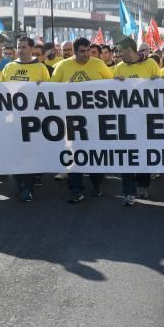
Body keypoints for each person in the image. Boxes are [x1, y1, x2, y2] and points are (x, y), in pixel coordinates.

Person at [52, 37, 114, 203]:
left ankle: (96, 184)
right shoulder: (62, 66)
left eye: (88, 51)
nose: (86, 55)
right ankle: (75, 189)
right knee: (74, 155)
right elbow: (51, 89)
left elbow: (112, 83)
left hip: (96, 120)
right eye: (82, 51)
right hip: (72, 120)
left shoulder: (98, 64)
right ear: (74, 51)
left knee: (95, 154)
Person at [1, 36, 52, 203]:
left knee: (29, 155)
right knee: (14, 154)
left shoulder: (40, 67)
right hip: (13, 120)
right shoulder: (9, 67)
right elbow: (0, 91)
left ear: (31, 49)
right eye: (19, 47)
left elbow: (49, 93)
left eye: (24, 47)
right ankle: (18, 183)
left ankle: (28, 187)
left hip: (33, 120)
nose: (21, 50)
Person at [112, 37, 161, 206]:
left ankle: (143, 184)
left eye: (120, 51)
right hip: (125, 121)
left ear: (129, 50)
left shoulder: (151, 65)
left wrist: (157, 82)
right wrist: (114, 84)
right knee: (127, 157)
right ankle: (128, 192)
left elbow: (160, 89)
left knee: (143, 155)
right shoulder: (118, 68)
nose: (117, 54)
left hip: (146, 120)